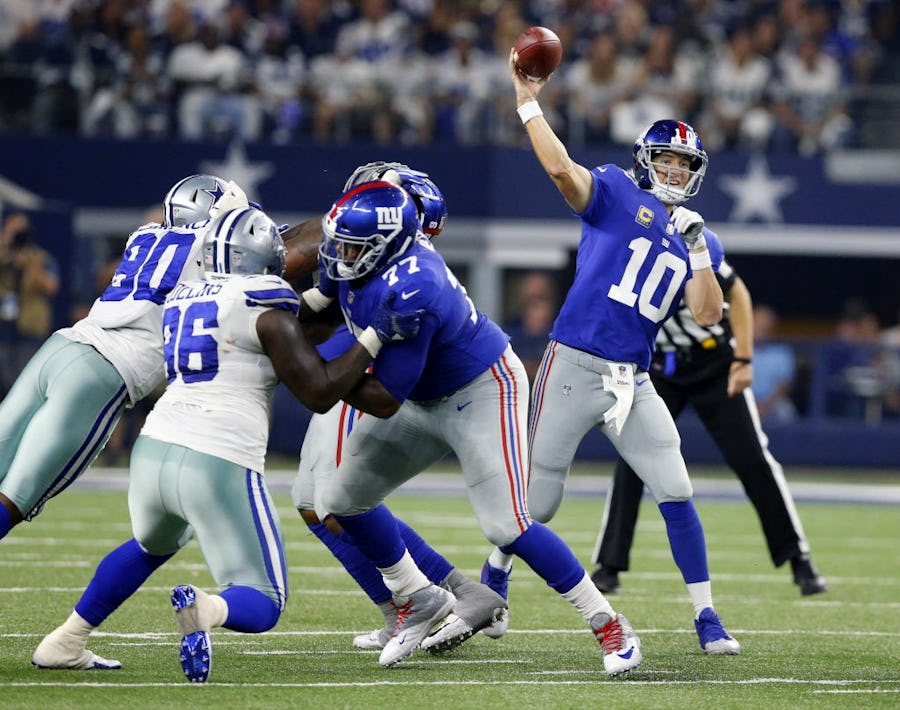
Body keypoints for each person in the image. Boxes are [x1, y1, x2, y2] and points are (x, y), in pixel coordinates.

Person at [32, 206, 422, 682]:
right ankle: (206, 608)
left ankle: (67, 639)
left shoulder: (185, 294)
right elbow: (318, 391)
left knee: (150, 545)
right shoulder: (265, 301)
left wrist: (332, 300)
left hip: (154, 450)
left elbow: (290, 326)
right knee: (264, 599)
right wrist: (375, 337)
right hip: (217, 454)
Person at [307, 180, 642, 677]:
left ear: (386, 245)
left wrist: (319, 376)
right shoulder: (357, 262)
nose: (341, 256)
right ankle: (416, 598)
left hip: (480, 389)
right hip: (421, 395)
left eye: (354, 248)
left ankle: (609, 624)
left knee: (507, 525)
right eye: (341, 244)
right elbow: (312, 312)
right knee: (340, 500)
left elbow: (383, 398)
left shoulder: (416, 287)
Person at [488, 48, 741, 656]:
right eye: (667, 159)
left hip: (633, 379)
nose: (675, 171)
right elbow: (560, 171)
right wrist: (528, 103)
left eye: (685, 163)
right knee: (539, 501)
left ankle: (706, 615)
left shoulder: (700, 237)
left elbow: (708, 315)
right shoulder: (614, 190)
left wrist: (698, 250)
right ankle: (495, 573)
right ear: (645, 160)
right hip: (573, 363)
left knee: (675, 487)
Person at [0, 174, 323, 542]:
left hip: (60, 348)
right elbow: (294, 249)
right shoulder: (211, 251)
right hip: (105, 371)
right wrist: (354, 218)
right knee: (16, 498)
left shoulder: (146, 234)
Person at [293, 161, 506, 651]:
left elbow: (340, 322)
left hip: (366, 374)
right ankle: (415, 606)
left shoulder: (400, 277)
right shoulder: (371, 255)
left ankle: (443, 596)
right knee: (316, 505)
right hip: (360, 364)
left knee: (331, 505)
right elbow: (322, 300)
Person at [590, 260, 827, 597]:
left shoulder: (694, 241)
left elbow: (737, 291)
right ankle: (609, 564)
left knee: (752, 458)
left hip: (714, 363)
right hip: (657, 367)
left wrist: (743, 358)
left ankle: (798, 557)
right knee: (632, 459)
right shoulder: (629, 249)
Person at [0, 211, 60, 397]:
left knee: (25, 384)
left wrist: (30, 265)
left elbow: (52, 286)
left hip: (30, 330)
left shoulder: (41, 259)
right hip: (4, 331)